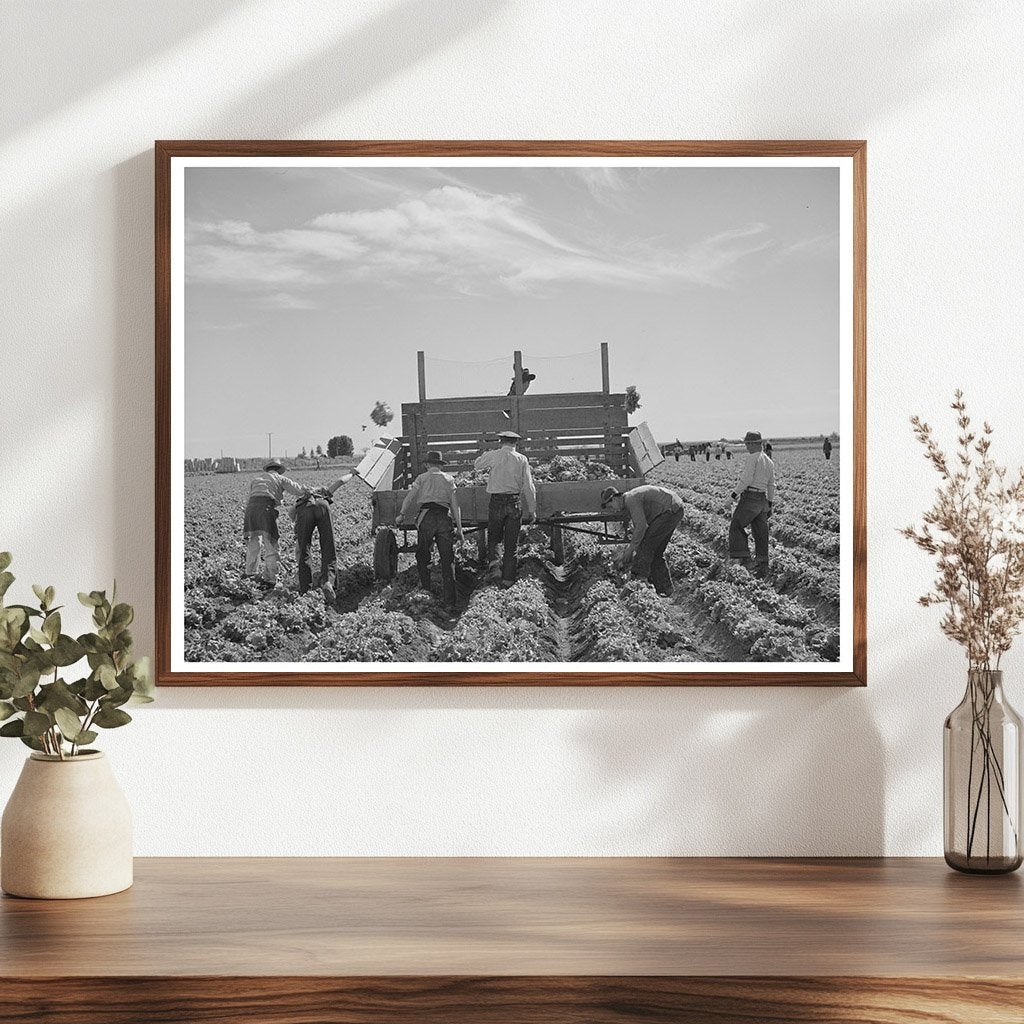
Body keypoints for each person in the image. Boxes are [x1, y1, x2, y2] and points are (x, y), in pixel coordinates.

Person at [397, 451, 464, 606]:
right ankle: (450, 601)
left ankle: (426, 591)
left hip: (426, 517)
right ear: (440, 465)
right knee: (447, 559)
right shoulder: (449, 479)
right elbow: (455, 505)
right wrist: (459, 529)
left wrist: (401, 514)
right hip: (443, 517)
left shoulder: (421, 478)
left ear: (427, 464)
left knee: (423, 555)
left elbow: (409, 497)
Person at [474, 430, 537, 585]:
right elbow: (528, 485)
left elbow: (477, 465)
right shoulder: (522, 459)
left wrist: (486, 453)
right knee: (511, 544)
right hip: (514, 502)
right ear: (516, 443)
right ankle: (508, 580)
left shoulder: (494, 455)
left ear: (501, 441)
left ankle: (495, 569)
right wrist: (532, 509)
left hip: (497, 501)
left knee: (494, 538)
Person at [602, 484, 685, 597]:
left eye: (611, 506)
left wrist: (630, 549)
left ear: (615, 498)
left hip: (669, 510)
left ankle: (638, 581)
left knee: (646, 546)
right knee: (656, 551)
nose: (613, 510)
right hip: (674, 508)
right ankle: (666, 589)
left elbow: (641, 527)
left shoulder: (631, 499)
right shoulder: (630, 499)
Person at [292, 468, 361, 599]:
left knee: (304, 550)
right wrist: (352, 473)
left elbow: (291, 513)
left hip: (304, 511)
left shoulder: (301, 499)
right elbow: (340, 481)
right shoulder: (324, 493)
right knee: (328, 545)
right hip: (323, 507)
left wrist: (298, 525)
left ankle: (305, 589)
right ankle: (328, 581)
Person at [243, 460, 310, 587]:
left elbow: (249, 498)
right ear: (278, 470)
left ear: (268, 469)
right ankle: (270, 578)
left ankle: (250, 573)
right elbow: (298, 490)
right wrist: (309, 491)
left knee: (254, 542)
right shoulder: (280, 478)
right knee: (271, 545)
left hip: (250, 511)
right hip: (266, 509)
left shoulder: (256, 479)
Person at [729, 430, 777, 577]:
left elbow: (747, 479)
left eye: (747, 443)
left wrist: (733, 496)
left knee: (736, 525)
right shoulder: (769, 461)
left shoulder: (752, 458)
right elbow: (771, 484)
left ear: (753, 444)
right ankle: (763, 565)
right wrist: (769, 503)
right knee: (761, 532)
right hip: (762, 499)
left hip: (750, 497)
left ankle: (745, 559)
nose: (746, 446)